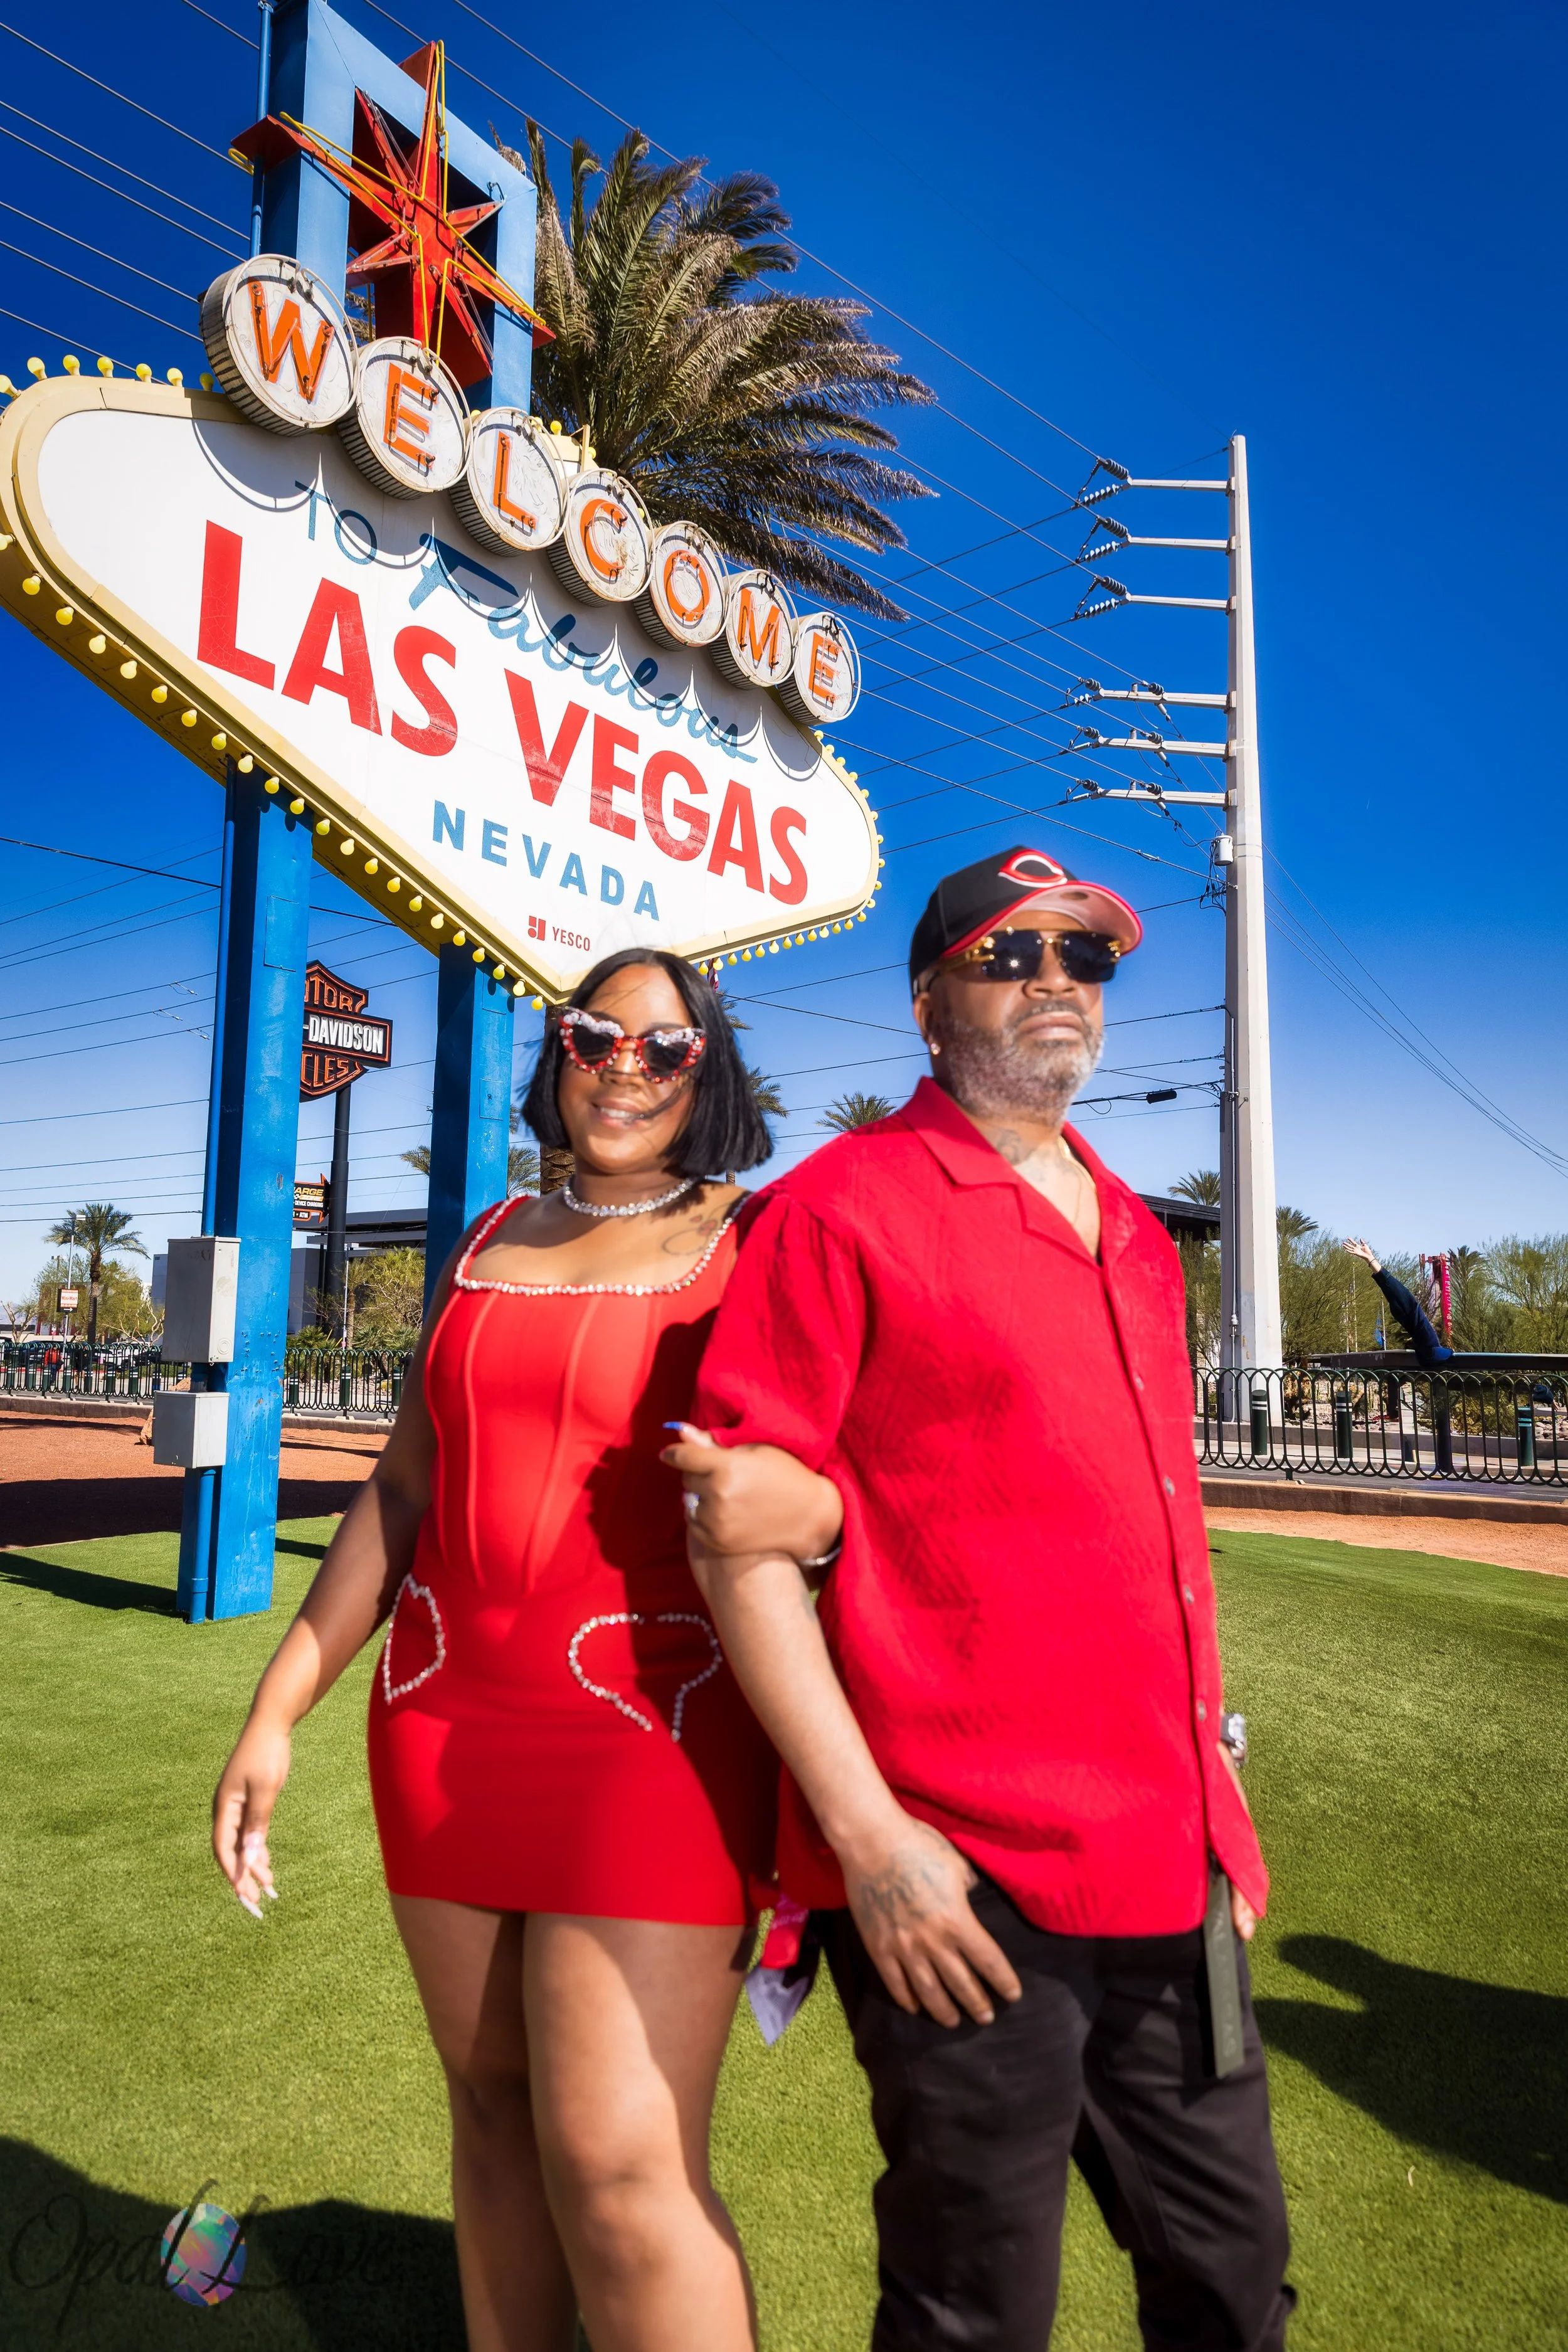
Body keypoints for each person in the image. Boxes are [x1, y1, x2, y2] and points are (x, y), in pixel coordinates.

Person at [668, 847, 1296, 2350]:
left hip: (1169, 1866)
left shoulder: (1142, 1236)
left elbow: (1147, 1539)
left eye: (1085, 957)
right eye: (1012, 955)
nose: (1058, 982)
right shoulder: (837, 1209)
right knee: (973, 2311)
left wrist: (1216, 1810)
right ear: (927, 1000)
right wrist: (869, 1842)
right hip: (957, 1884)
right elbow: (737, 1539)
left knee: (1232, 2278)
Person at [211, 949, 840, 2352]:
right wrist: (278, 1708)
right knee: (493, 2117)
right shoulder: (487, 1234)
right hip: (437, 1718)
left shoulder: (759, 1238)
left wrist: (824, 1506)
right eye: (593, 1034)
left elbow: (849, 1461)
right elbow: (400, 1493)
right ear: (557, 1053)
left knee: (623, 2167)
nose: (624, 1064)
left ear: (706, 1073)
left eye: (664, 1048)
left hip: (656, 1737)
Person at [1343, 1237, 1453, 1368]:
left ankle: (1373, 1263)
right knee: (1399, 1297)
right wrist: (1370, 1259)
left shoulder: (1426, 1340)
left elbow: (1398, 1294)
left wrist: (1371, 1259)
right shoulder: (1426, 1344)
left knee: (1401, 1298)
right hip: (1421, 1346)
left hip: (1418, 1335)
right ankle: (1373, 1264)